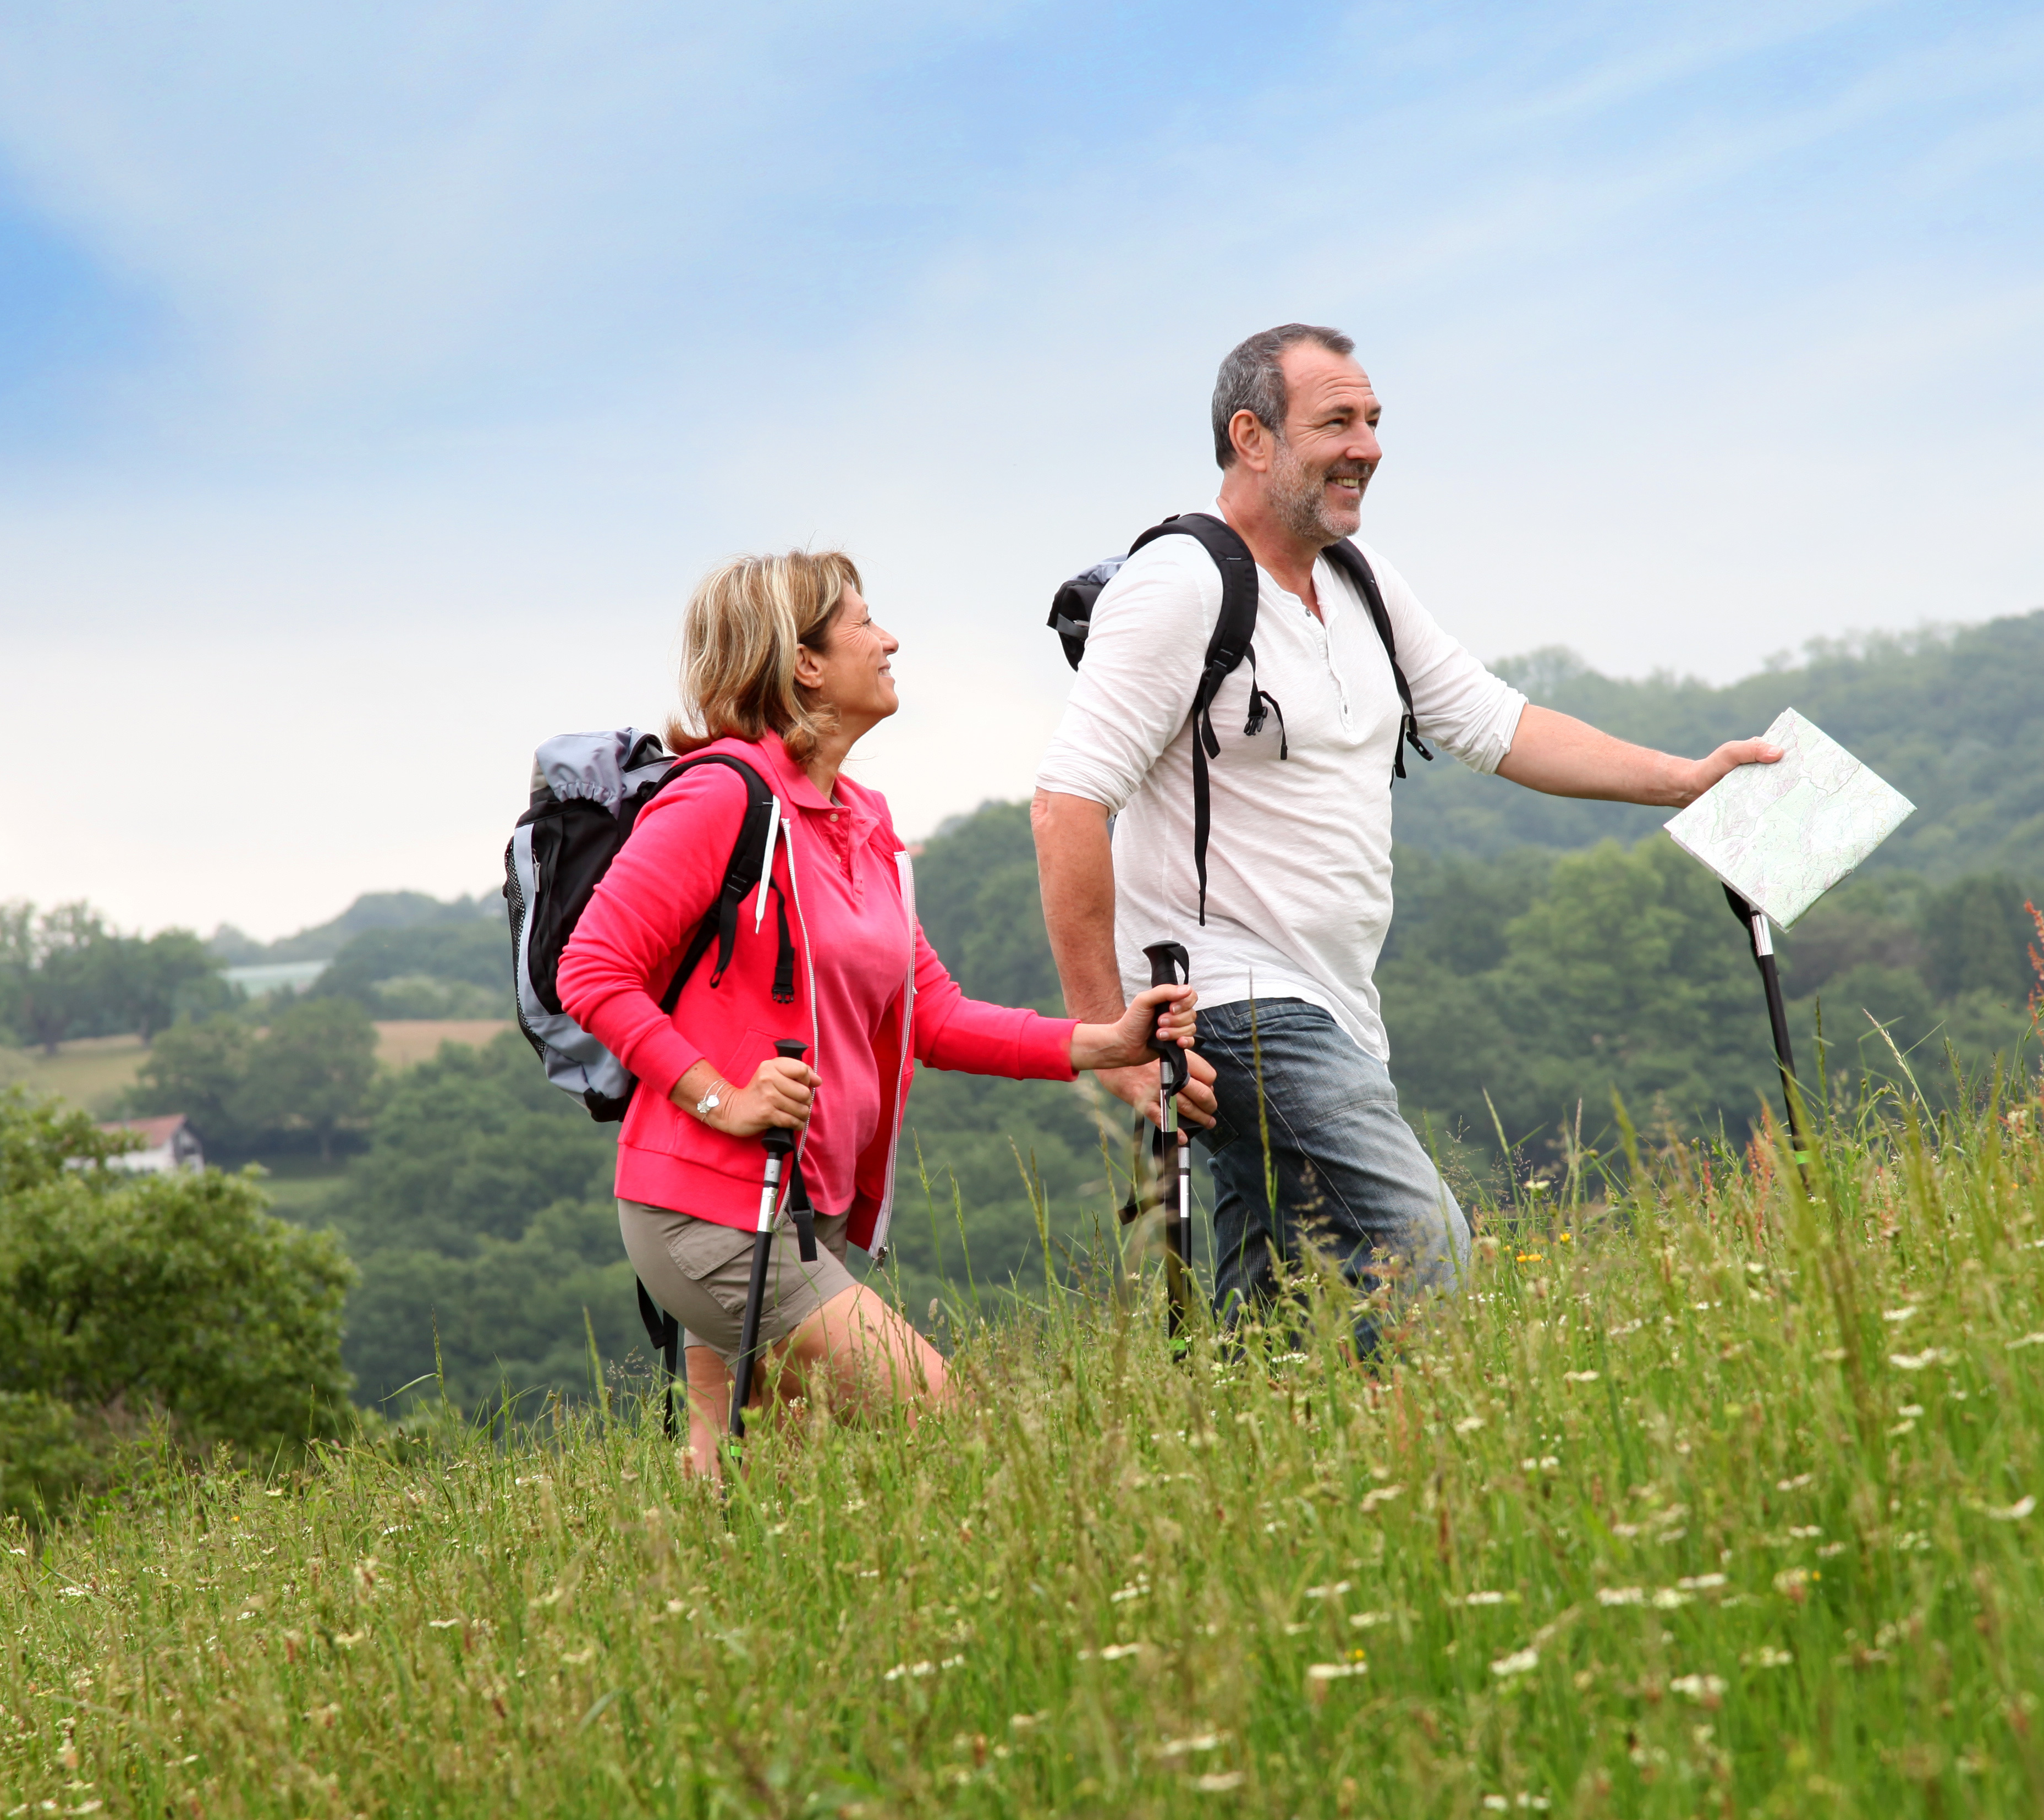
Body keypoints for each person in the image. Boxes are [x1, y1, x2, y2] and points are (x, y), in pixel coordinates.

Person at [1031, 322, 1778, 1329]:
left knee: (1282, 1326)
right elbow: (1068, 803)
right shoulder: (1180, 586)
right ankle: (1436, 1462)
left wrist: (1684, 778)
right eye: (1337, 421)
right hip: (1237, 1002)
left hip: (1341, 1004)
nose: (1370, 447)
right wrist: (1105, 1039)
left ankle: (1256, 1470)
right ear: (1251, 438)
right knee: (1424, 1250)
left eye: (1374, 422)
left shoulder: (1359, 580)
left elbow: (1495, 723)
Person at [561, 550, 1197, 1478]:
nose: (888, 638)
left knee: (747, 1478)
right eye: (863, 621)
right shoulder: (720, 796)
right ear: (804, 661)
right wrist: (719, 1098)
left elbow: (930, 1015)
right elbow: (594, 972)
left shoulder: (862, 820)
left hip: (795, 1204)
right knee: (953, 1420)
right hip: (711, 1207)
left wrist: (1102, 1043)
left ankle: (675, 1619)